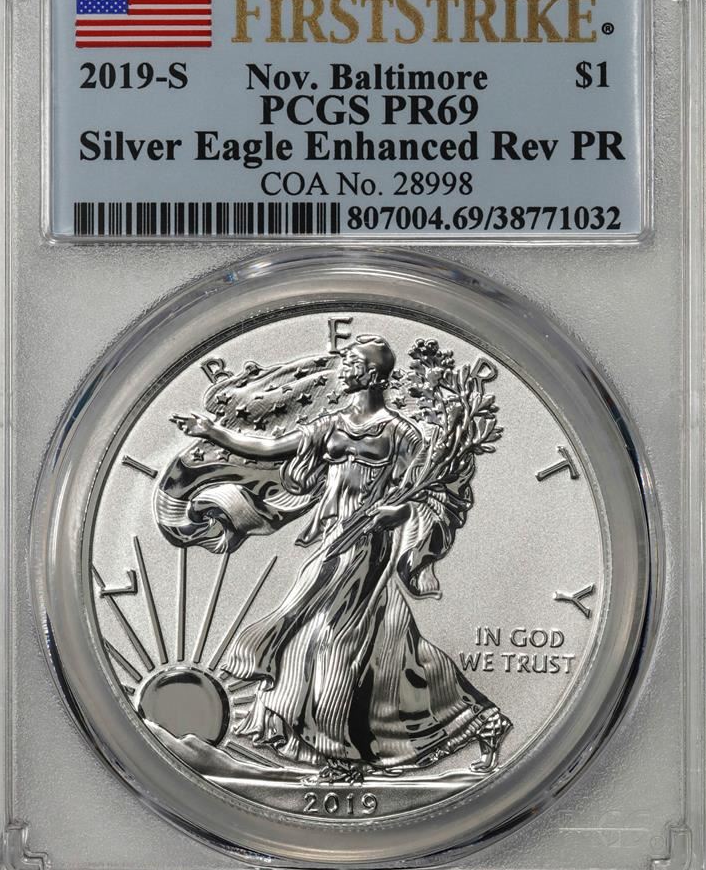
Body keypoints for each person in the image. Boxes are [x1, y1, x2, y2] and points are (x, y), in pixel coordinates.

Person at [171, 335, 511, 783]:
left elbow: (433, 494)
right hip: (336, 538)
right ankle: (477, 719)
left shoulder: (400, 433)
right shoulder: (332, 424)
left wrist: (399, 512)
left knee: (332, 639)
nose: (343, 368)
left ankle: (339, 755)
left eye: (351, 362)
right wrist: (212, 432)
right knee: (383, 642)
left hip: (369, 544)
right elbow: (272, 448)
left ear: (371, 374)